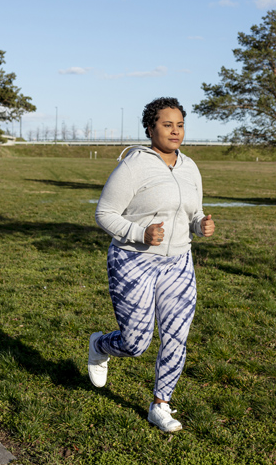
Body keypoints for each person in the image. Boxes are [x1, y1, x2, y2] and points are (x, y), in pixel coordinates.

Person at [89, 97, 215, 433]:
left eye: (180, 125)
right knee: (136, 342)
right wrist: (139, 232)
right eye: (167, 124)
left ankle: (161, 404)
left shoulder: (190, 167)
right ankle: (100, 345)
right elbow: (104, 214)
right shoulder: (133, 166)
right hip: (133, 261)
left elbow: (193, 212)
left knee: (177, 334)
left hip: (178, 262)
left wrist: (200, 224)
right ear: (150, 128)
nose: (175, 131)